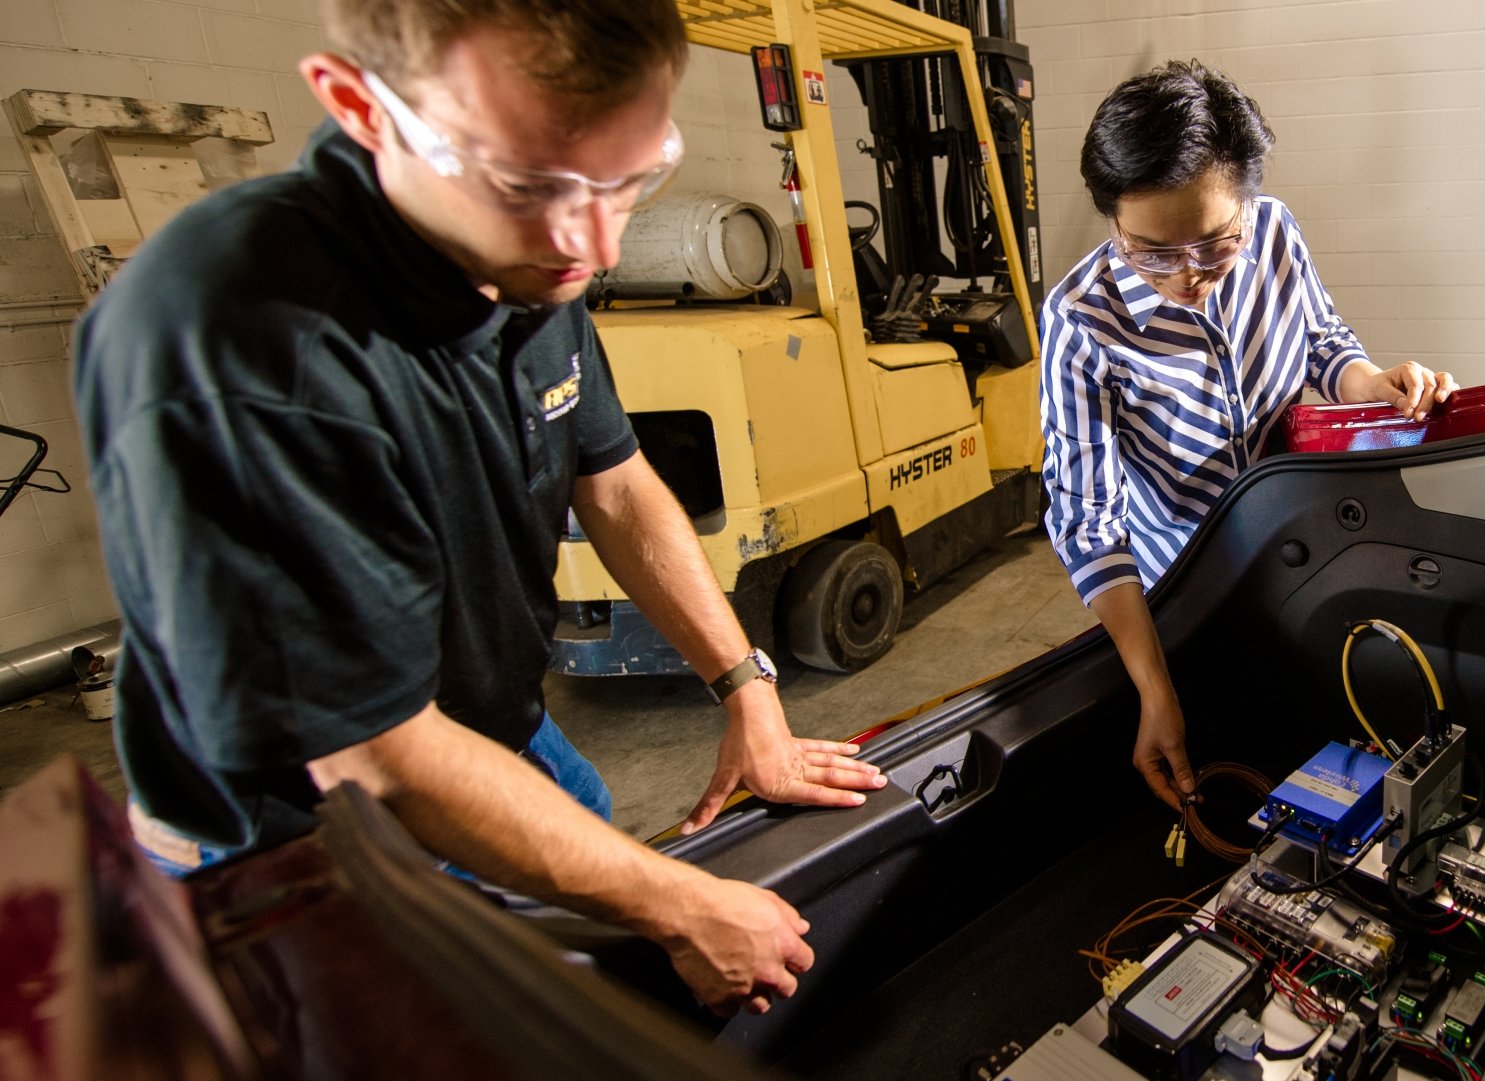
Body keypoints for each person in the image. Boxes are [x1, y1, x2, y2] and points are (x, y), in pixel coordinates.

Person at [72, 0, 883, 1017]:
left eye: (634, 177)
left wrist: (745, 688)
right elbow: (374, 752)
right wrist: (679, 904)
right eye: (527, 184)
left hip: (495, 734)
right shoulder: (237, 345)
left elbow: (618, 483)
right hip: (299, 840)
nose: (594, 241)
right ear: (360, 105)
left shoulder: (538, 256)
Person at [1039, 61, 1459, 812]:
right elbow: (1089, 525)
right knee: (1225, 743)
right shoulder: (1080, 321)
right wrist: (1154, 684)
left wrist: (1374, 383)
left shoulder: (1273, 232)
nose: (1187, 276)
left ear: (1245, 204)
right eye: (1152, 252)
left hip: (1295, 538)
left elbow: (1324, 346)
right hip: (1185, 577)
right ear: (1112, 219)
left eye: (1212, 244)